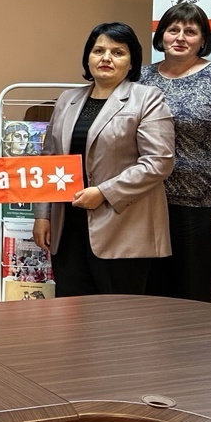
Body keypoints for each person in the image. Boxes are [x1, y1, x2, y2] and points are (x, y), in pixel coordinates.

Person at [32, 23, 174, 296]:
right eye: (98, 50)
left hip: (123, 227)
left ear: (131, 61)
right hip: (67, 228)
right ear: (88, 57)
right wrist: (42, 215)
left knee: (117, 315)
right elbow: (49, 159)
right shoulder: (67, 99)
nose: (106, 58)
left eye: (117, 52)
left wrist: (104, 192)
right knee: (71, 311)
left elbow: (159, 161)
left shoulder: (147, 98)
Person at [139, 3, 211, 301]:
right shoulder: (140, 78)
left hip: (199, 207)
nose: (180, 37)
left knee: (191, 294)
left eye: (190, 32)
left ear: (203, 40)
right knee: (147, 294)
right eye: (173, 30)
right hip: (145, 203)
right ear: (161, 35)